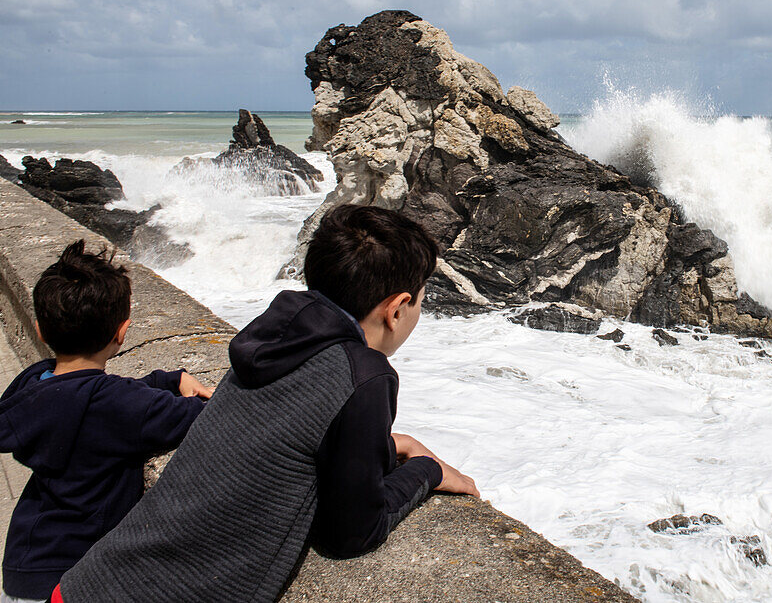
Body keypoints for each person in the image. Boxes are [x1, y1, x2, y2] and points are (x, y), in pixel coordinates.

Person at [58, 205, 478, 602]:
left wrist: (388, 446)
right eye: (421, 301)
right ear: (398, 308)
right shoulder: (364, 375)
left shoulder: (275, 333)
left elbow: (286, 439)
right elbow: (351, 533)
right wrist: (428, 470)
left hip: (88, 581)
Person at [0, 241, 211, 603]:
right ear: (122, 332)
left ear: (39, 330)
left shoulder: (34, 385)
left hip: (26, 563)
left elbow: (97, 398)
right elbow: (204, 416)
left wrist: (165, 380)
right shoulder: (116, 406)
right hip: (72, 579)